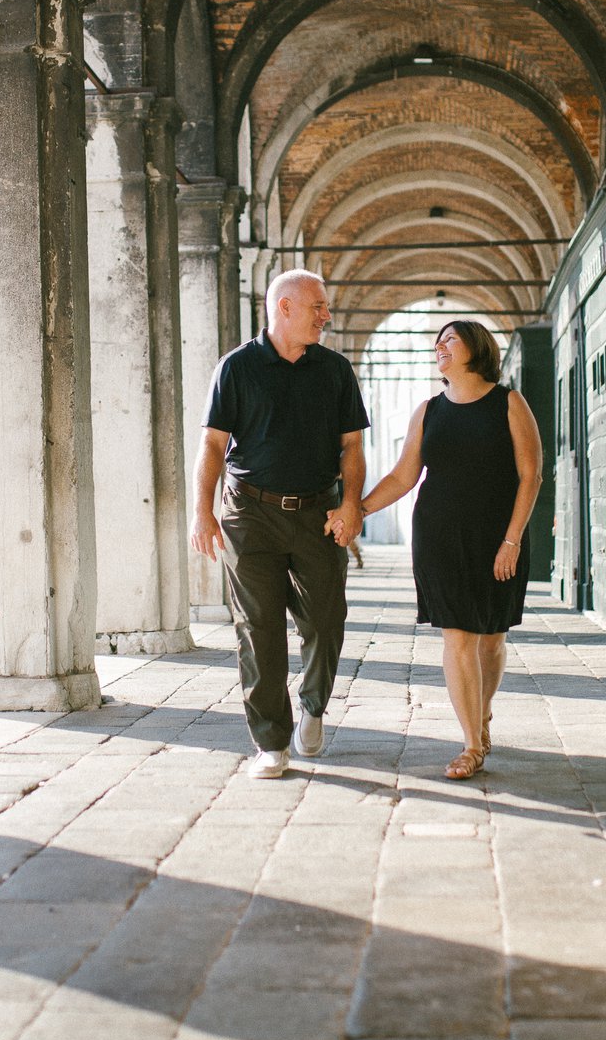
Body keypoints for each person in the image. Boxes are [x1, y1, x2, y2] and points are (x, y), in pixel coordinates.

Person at [192, 270, 369, 779]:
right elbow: (212, 444)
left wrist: (351, 505)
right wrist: (202, 511)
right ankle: (271, 743)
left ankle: (313, 705)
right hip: (249, 514)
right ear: (284, 307)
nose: (326, 316)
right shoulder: (237, 367)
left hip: (319, 512)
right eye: (318, 306)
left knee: (325, 619)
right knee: (259, 628)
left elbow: (352, 446)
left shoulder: (335, 370)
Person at [360, 320, 541, 780]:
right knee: (458, 636)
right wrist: (358, 510)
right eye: (437, 342)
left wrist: (512, 540)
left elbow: (531, 476)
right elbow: (403, 476)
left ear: (475, 348)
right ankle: (472, 744)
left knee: (492, 637)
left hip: (498, 537)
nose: (439, 346)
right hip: (439, 536)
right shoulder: (428, 411)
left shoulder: (509, 402)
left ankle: (481, 714)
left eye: (449, 340)